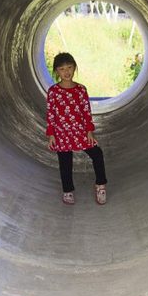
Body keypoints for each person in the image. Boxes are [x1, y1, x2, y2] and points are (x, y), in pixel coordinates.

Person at [45, 52, 107, 205]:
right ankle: (67, 191)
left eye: (69, 67)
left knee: (97, 154)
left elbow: (86, 111)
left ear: (74, 68)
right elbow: (51, 114)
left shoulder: (81, 90)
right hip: (61, 133)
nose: (66, 72)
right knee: (65, 162)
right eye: (61, 69)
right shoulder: (53, 92)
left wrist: (89, 131)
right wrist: (51, 134)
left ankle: (100, 185)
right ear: (56, 71)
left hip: (80, 131)